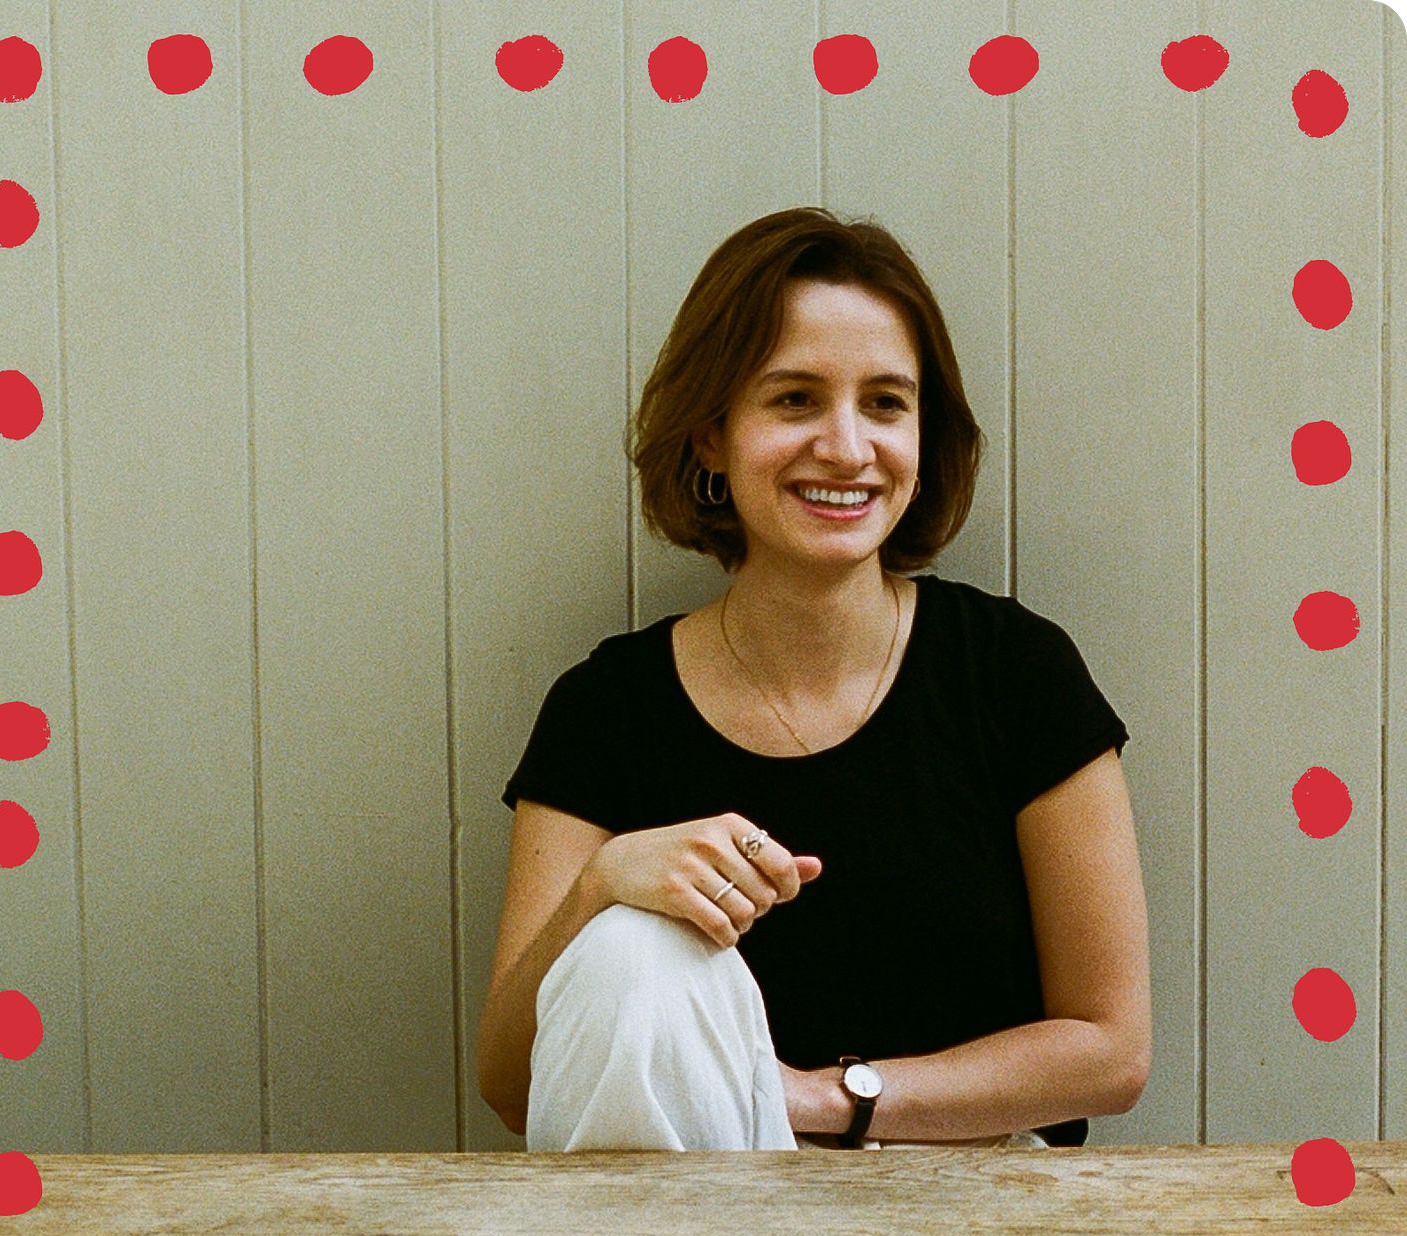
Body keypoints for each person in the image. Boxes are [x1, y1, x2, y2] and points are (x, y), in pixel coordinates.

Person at [477, 207, 1151, 1153]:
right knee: (631, 946)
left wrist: (815, 1100)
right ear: (710, 434)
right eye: (794, 399)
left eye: (885, 402)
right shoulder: (607, 708)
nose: (846, 446)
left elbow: (1109, 1050)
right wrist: (599, 888)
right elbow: (514, 1087)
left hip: (980, 1224)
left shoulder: (1014, 671)